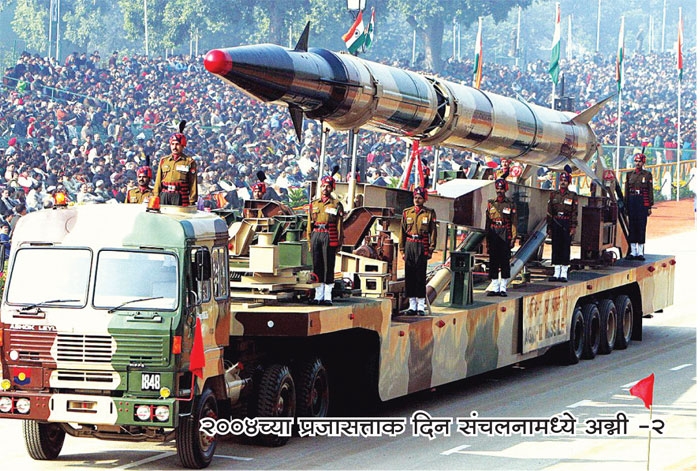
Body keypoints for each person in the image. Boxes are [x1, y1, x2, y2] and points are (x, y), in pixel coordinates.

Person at [399, 186, 437, 315]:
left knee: (420, 275)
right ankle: (412, 305)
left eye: (420, 198)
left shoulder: (429, 213)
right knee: (410, 275)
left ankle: (420, 306)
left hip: (422, 245)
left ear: (424, 199)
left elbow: (433, 232)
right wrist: (402, 250)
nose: (417, 200)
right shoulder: (407, 212)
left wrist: (431, 248)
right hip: (410, 244)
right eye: (415, 197)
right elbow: (402, 232)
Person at [307, 175, 344, 306]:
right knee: (317, 265)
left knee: (328, 265)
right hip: (316, 234)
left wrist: (339, 242)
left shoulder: (336, 204)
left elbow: (339, 225)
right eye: (323, 186)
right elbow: (309, 223)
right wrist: (309, 240)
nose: (325, 189)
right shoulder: (314, 204)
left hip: (329, 235)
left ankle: (327, 296)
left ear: (332, 188)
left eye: (328, 186)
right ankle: (318, 295)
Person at [485, 178, 517, 296]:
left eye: (501, 189)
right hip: (494, 232)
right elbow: (487, 222)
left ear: (505, 190)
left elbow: (514, 222)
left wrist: (513, 238)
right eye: (498, 189)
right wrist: (487, 237)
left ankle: (503, 288)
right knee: (493, 260)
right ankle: (495, 288)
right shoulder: (490, 204)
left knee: (504, 261)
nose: (499, 191)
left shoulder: (510, 204)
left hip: (505, 232)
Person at [153, 124, 198, 206]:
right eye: (172, 144)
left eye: (177, 144)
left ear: (182, 146)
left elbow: (193, 182)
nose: (174, 147)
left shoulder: (189, 162)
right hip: (165, 194)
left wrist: (192, 200)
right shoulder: (164, 161)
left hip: (180, 195)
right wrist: (155, 196)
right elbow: (158, 181)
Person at [547, 171, 578, 282]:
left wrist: (573, 227)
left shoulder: (572, 196)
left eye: (565, 181)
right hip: (556, 222)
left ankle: (564, 273)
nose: (563, 182)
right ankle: (556, 272)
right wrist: (549, 227)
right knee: (556, 247)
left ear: (568, 182)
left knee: (565, 247)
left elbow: (574, 212)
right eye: (561, 180)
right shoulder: (553, 194)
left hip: (566, 222)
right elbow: (549, 212)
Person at [624, 152, 654, 260]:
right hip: (632, 201)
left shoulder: (647, 175)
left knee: (641, 226)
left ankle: (640, 252)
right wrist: (626, 205)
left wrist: (649, 205)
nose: (637, 163)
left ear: (643, 162)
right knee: (632, 226)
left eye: (639, 161)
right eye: (636, 161)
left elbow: (650, 191)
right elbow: (626, 191)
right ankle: (633, 252)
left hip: (642, 202)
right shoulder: (629, 175)